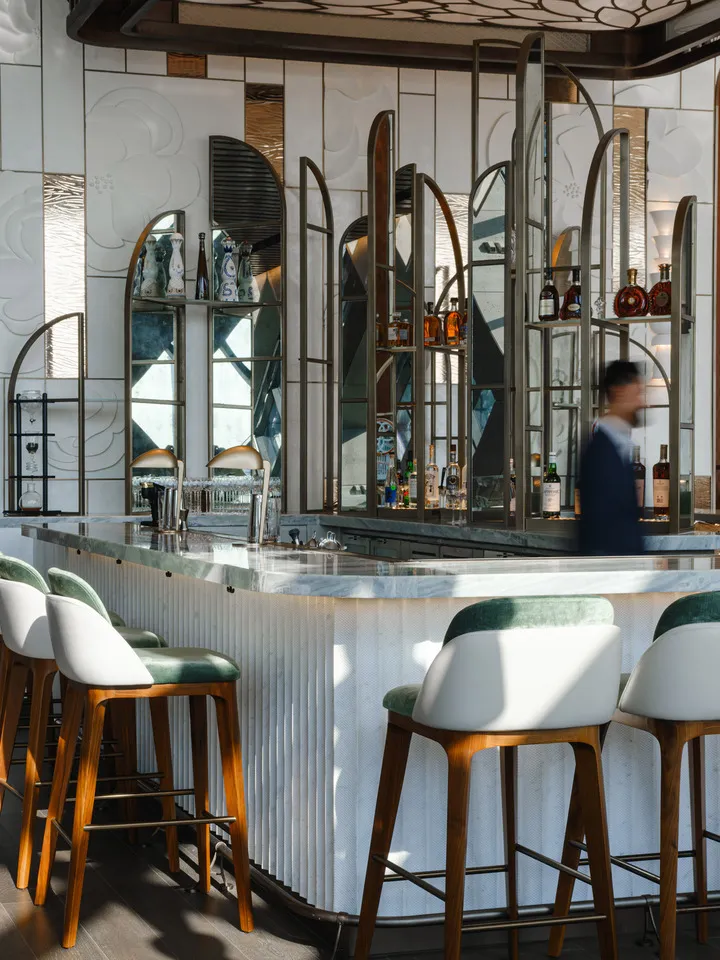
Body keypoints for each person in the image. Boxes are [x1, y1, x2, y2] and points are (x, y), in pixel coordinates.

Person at [577, 360, 645, 556]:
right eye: (638, 394)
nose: (642, 403)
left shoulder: (617, 445)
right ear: (619, 392)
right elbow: (599, 529)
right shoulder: (600, 452)